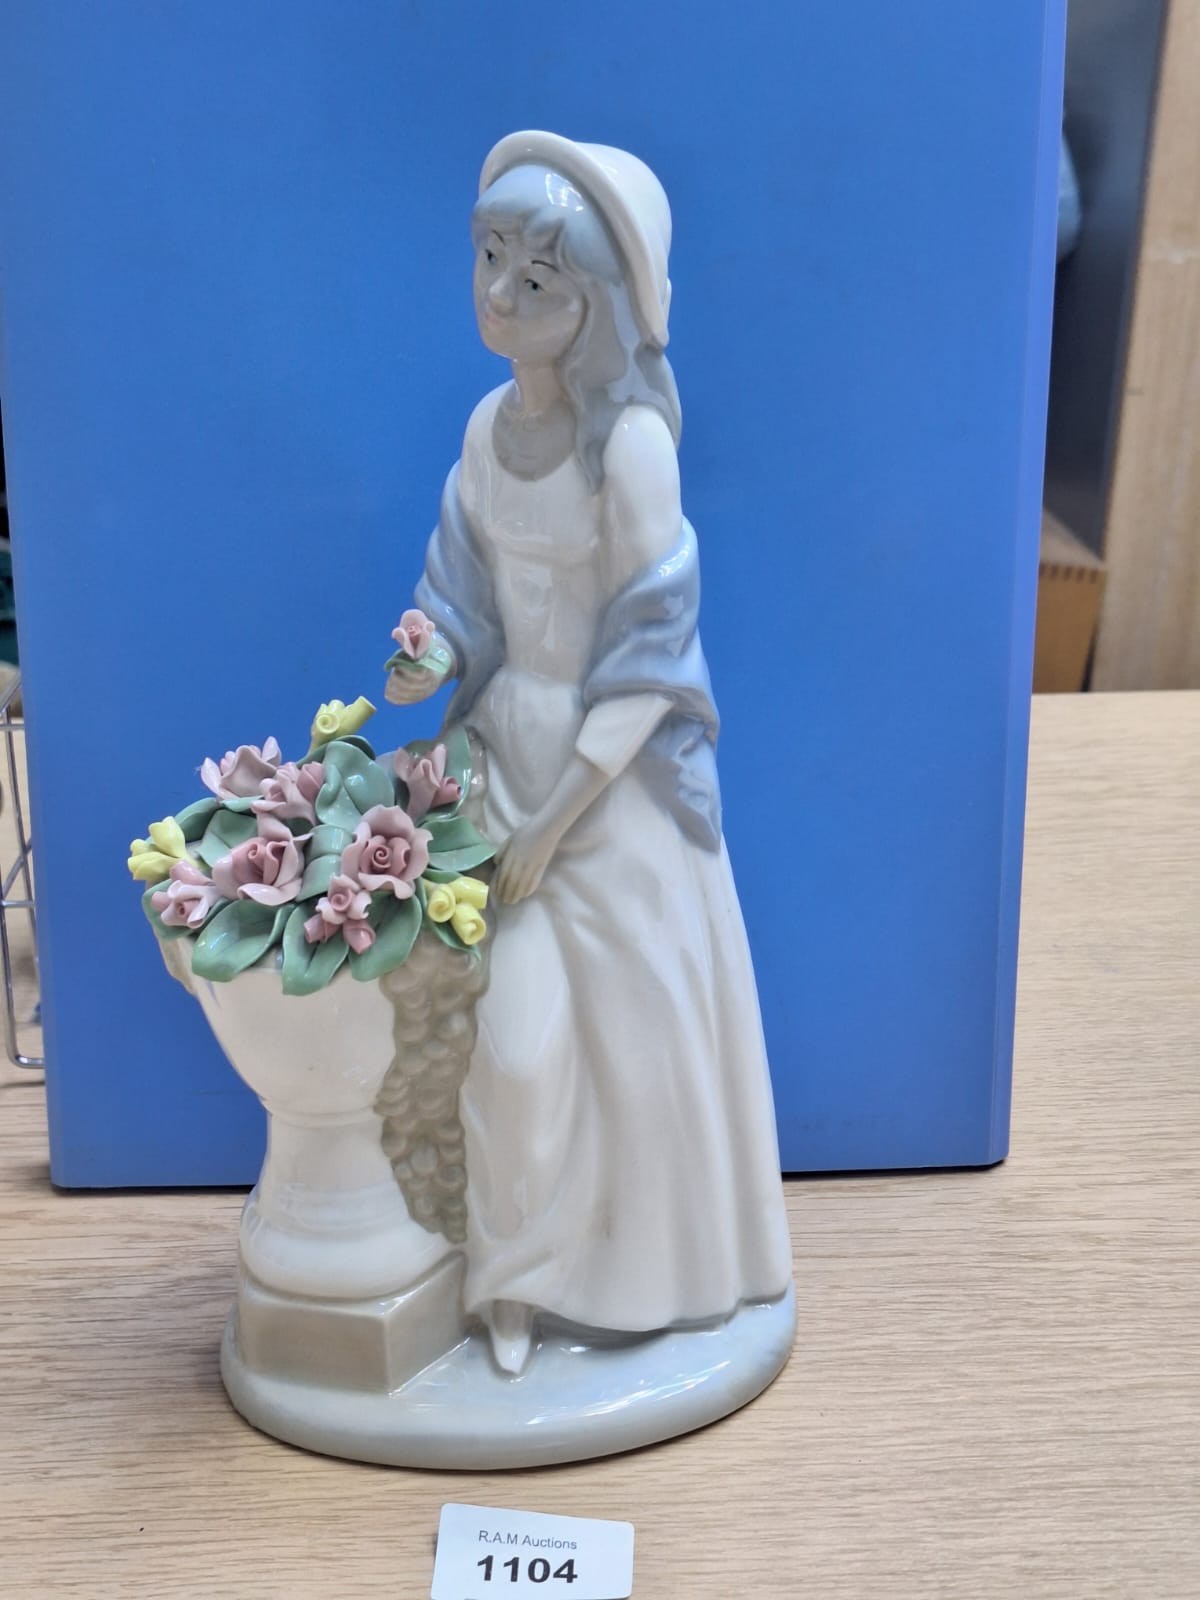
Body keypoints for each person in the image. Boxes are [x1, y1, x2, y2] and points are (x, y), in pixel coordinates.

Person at [387, 133, 792, 1376]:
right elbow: (461, 598)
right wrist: (427, 656)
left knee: (634, 1042)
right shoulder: (482, 430)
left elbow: (653, 658)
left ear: (600, 301)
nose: (499, 296)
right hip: (503, 750)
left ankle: (639, 1281)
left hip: (605, 787)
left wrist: (554, 821)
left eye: (537, 278)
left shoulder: (632, 450)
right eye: (489, 260)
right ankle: (511, 1284)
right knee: (508, 1047)